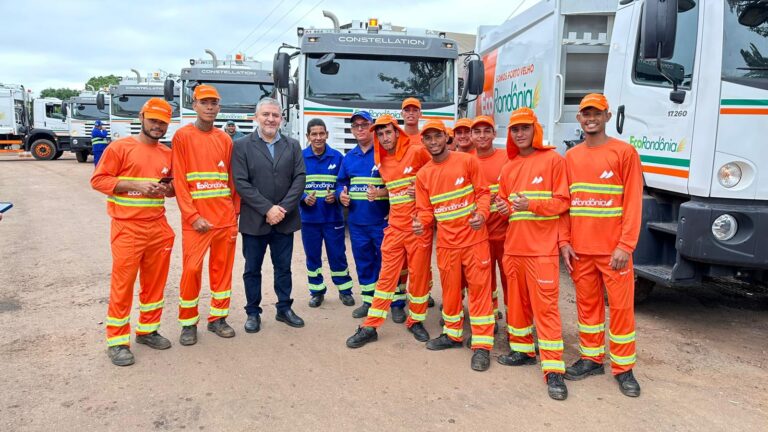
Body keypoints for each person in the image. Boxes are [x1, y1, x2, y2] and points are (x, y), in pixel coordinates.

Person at [559, 93, 643, 397]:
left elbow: (633, 202)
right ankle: (591, 358)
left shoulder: (624, 153)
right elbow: (567, 204)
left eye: (596, 113)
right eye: (585, 113)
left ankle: (624, 369)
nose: (590, 118)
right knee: (587, 307)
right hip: (581, 251)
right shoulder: (571, 157)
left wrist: (626, 245)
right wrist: (565, 241)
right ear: (579, 119)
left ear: (607, 116)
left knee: (621, 309)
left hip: (614, 252)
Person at [90, 98, 176, 366]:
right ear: (142, 117)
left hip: (157, 227)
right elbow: (98, 180)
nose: (157, 126)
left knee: (155, 284)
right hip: (127, 227)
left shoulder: (167, 154)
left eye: (162, 122)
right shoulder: (120, 147)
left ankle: (147, 330)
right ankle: (117, 341)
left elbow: (173, 190)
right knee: (123, 285)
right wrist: (134, 183)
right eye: (153, 120)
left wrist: (166, 190)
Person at [494, 107, 570, 400]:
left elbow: (563, 202)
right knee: (517, 305)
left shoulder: (553, 161)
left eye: (525, 128)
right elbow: (505, 203)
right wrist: (504, 208)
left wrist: (532, 206)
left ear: (534, 130)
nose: (520, 133)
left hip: (541, 252)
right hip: (514, 248)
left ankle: (554, 371)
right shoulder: (509, 167)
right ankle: (522, 350)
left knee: (546, 310)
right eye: (515, 129)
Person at [412, 120, 495, 372]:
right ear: (423, 142)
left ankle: (482, 346)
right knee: (449, 291)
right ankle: (453, 334)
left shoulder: (467, 162)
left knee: (480, 293)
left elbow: (483, 193)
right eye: (429, 138)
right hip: (447, 245)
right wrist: (421, 223)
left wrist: (482, 214)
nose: (434, 142)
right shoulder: (423, 174)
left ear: (446, 138)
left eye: (438, 136)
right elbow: (425, 211)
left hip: (474, 241)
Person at [346, 114, 433, 348]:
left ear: (397, 132)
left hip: (417, 228)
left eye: (388, 132)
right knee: (386, 277)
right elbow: (394, 191)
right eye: (380, 134)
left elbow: (437, 175)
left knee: (418, 277)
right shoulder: (382, 161)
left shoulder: (417, 152)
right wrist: (380, 194)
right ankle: (371, 326)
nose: (384, 138)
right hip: (394, 227)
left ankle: (416, 320)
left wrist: (423, 193)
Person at [172, 84, 240, 345]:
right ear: (194, 106)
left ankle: (218, 319)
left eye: (214, 103)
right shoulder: (182, 137)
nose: (210, 107)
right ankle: (188, 323)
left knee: (222, 272)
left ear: (219, 107)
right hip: (197, 223)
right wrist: (192, 217)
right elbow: (179, 180)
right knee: (191, 270)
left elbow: (232, 181)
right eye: (205, 102)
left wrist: (234, 215)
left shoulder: (224, 139)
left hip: (224, 220)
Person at [232, 97, 306, 333]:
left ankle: (284, 308)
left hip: (284, 220)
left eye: (275, 115)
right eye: (266, 114)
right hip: (255, 221)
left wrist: (281, 209)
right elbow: (241, 182)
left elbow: (299, 179)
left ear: (282, 118)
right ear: (256, 117)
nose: (271, 119)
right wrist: (267, 209)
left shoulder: (292, 145)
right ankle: (253, 312)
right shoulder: (242, 145)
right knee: (252, 269)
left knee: (283, 267)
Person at [337, 111, 407, 321]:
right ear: (352, 130)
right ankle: (369, 300)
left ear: (372, 128)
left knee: (389, 263)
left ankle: (396, 303)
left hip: (382, 221)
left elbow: (398, 186)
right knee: (364, 262)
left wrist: (381, 194)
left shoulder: (384, 154)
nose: (360, 128)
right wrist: (342, 194)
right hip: (357, 223)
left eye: (364, 124)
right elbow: (341, 181)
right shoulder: (349, 157)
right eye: (356, 125)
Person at [299, 118, 354, 308]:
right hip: (309, 220)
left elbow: (343, 184)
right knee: (312, 257)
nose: (318, 138)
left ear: (327, 135)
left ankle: (345, 291)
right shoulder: (300, 157)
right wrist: (304, 197)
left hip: (333, 219)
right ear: (308, 136)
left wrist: (337, 196)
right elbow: (293, 185)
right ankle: (316, 292)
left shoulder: (337, 157)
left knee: (338, 255)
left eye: (322, 133)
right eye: (314, 134)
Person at [472, 115, 508, 321]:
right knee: (485, 281)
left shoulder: (507, 158)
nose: (482, 135)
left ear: (494, 134)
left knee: (509, 281)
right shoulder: (466, 161)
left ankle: (516, 325)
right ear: (471, 135)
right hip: (480, 235)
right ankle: (490, 316)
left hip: (505, 233)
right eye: (477, 131)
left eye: (487, 131)